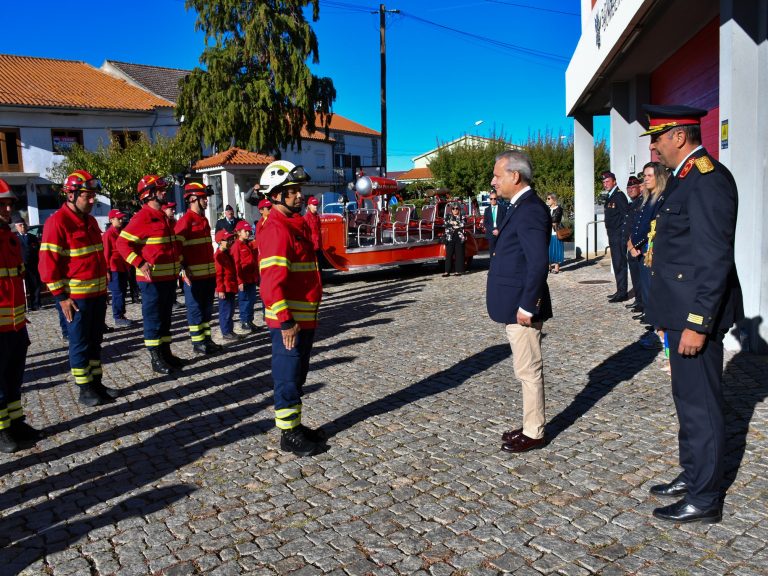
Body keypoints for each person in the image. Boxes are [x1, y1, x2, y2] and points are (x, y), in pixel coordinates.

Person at [641, 104, 743, 524]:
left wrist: (698, 325)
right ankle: (693, 473)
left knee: (701, 405)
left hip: (693, 321)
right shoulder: (683, 179)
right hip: (677, 315)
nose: (653, 146)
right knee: (687, 401)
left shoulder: (707, 180)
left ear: (678, 136)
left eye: (657, 137)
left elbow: (713, 260)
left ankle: (705, 498)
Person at [258, 160, 324, 456]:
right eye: (292, 191)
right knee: (287, 374)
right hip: (290, 321)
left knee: (298, 374)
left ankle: (294, 425)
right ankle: (288, 434)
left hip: (303, 317)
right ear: (275, 195)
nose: (299, 195)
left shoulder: (292, 224)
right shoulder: (276, 228)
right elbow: (271, 283)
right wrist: (285, 320)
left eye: (298, 189)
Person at [488, 150, 552, 453]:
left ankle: (535, 431)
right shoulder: (517, 206)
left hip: (521, 306)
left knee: (528, 370)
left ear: (515, 176)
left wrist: (528, 305)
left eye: (498, 175)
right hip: (513, 301)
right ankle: (530, 423)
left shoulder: (531, 209)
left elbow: (538, 262)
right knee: (523, 369)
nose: (493, 181)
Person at [39, 170, 117, 407]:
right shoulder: (57, 223)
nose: (92, 200)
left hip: (96, 295)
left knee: (95, 341)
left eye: (93, 195)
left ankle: (96, 383)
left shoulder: (91, 221)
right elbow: (47, 266)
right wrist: (61, 297)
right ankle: (84, 388)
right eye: (87, 196)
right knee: (80, 342)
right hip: (76, 299)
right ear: (71, 195)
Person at [117, 175, 185, 375]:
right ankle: (156, 358)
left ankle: (166, 353)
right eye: (161, 189)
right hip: (152, 281)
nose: (164, 192)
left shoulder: (162, 216)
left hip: (167, 279)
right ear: (150, 194)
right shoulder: (143, 217)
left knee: (165, 318)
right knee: (153, 319)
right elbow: (121, 243)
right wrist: (139, 262)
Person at [0, 179, 42, 452]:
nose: (7, 207)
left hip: (16, 323)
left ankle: (15, 422)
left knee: (14, 378)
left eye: (10, 203)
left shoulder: (9, 236)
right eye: (1, 203)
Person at [175, 181, 222, 355]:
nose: (206, 201)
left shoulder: (203, 220)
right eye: (203, 198)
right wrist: (183, 267)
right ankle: (197, 343)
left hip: (208, 275)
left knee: (207, 310)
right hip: (193, 276)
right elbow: (176, 247)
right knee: (195, 310)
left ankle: (207, 339)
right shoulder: (185, 221)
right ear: (193, 198)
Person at [629, 163, 669, 327]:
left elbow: (650, 226)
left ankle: (655, 322)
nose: (645, 179)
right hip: (641, 247)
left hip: (649, 249)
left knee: (651, 287)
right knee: (644, 285)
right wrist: (632, 243)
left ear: (659, 177)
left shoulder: (660, 198)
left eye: (649, 176)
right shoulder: (648, 198)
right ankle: (650, 316)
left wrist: (636, 245)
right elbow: (638, 223)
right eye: (644, 176)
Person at [601, 171, 629, 302]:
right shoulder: (610, 196)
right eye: (604, 182)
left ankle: (622, 293)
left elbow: (626, 216)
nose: (605, 184)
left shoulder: (619, 196)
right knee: (616, 263)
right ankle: (620, 290)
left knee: (620, 263)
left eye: (608, 181)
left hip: (619, 236)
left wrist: (624, 236)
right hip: (612, 235)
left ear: (614, 182)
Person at [103, 208, 133, 327]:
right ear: (111, 220)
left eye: (122, 218)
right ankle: (118, 317)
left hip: (123, 267)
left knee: (123, 291)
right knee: (118, 293)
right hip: (114, 268)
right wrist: (106, 270)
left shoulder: (121, 232)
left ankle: (121, 315)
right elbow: (106, 253)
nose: (121, 220)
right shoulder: (108, 234)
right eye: (118, 218)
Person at [214, 229, 241, 342]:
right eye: (228, 239)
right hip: (225, 289)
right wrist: (220, 290)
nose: (230, 241)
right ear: (220, 241)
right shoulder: (218, 256)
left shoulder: (227, 254)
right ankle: (226, 332)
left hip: (231, 287)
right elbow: (218, 275)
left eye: (231, 239)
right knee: (225, 311)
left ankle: (229, 330)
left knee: (230, 311)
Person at [232, 220, 259, 333]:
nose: (248, 233)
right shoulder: (236, 246)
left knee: (251, 300)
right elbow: (236, 265)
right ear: (238, 232)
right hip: (243, 279)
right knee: (244, 300)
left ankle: (250, 320)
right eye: (245, 231)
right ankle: (244, 321)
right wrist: (239, 281)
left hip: (251, 278)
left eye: (249, 231)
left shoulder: (248, 244)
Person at [11, 214, 42, 311]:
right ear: (16, 226)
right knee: (21, 288)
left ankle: (36, 304)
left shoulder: (32, 237)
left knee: (35, 285)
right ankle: (23, 306)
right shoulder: (13, 238)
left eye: (24, 225)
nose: (23, 227)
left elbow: (38, 251)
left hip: (32, 265)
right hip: (20, 266)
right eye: (20, 225)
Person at [622, 177, 644, 312]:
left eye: (633, 187)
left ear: (639, 188)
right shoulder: (632, 203)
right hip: (630, 245)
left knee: (640, 276)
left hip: (637, 246)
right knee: (635, 275)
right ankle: (638, 299)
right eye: (628, 188)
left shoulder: (641, 203)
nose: (630, 190)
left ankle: (642, 303)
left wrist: (633, 244)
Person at [442, 204, 466, 277]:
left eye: (456, 208)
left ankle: (457, 271)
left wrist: (453, 223)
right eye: (453, 208)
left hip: (459, 238)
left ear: (459, 209)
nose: (455, 210)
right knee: (449, 255)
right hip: (450, 237)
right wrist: (455, 225)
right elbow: (445, 224)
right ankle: (447, 271)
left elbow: (463, 224)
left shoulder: (462, 216)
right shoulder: (447, 216)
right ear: (451, 210)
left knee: (459, 255)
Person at [545, 193, 564, 274]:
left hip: (556, 232)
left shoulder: (558, 209)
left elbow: (555, 220)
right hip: (547, 232)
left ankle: (556, 267)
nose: (547, 200)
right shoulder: (547, 209)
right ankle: (549, 266)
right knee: (548, 249)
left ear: (553, 199)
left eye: (549, 199)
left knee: (556, 249)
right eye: (547, 198)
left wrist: (547, 221)